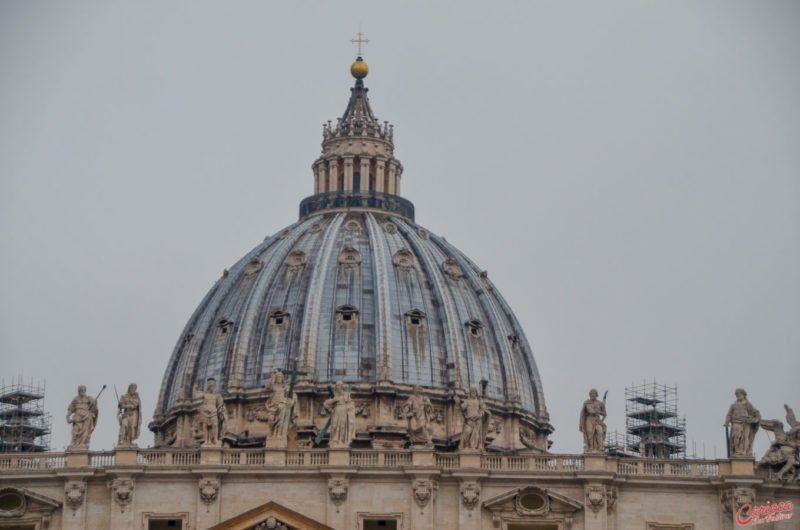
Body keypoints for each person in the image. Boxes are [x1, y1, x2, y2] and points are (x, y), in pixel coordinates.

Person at [724, 388, 760, 457]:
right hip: (736, 422)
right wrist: (727, 422)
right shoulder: (733, 405)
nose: (738, 395)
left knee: (745, 437)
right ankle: (737, 451)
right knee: (736, 436)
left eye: (739, 394)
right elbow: (729, 414)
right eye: (737, 394)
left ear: (743, 395)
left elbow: (755, 412)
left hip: (746, 422)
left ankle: (743, 452)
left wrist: (756, 418)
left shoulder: (748, 404)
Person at [193, 378, 226, 446]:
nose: (212, 386)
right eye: (211, 385)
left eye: (213, 385)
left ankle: (215, 439)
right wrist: (194, 389)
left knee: (215, 425)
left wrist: (221, 412)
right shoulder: (204, 394)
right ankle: (206, 441)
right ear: (208, 386)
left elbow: (220, 405)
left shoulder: (217, 395)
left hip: (213, 411)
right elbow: (195, 396)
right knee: (205, 426)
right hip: (205, 411)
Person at [264, 372, 296, 441]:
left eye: (281, 377)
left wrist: (292, 400)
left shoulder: (285, 387)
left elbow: (291, 394)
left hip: (282, 404)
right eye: (278, 377)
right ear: (276, 378)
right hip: (272, 406)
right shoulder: (273, 386)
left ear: (283, 379)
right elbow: (267, 387)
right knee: (270, 419)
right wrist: (271, 378)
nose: (279, 379)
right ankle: (271, 433)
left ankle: (278, 433)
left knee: (281, 417)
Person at [456, 385, 490, 450]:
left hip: (477, 420)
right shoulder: (467, 401)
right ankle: (467, 446)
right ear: (470, 393)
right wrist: (457, 403)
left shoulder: (479, 401)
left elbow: (483, 409)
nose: (473, 393)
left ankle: (473, 447)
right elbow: (461, 408)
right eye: (472, 391)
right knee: (467, 432)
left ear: (476, 392)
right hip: (469, 420)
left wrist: (481, 414)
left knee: (475, 435)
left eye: (474, 391)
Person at [323, 381, 356, 448]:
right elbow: (326, 404)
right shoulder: (335, 397)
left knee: (342, 426)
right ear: (336, 388)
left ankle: (341, 441)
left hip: (344, 411)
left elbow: (351, 404)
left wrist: (349, 410)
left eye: (340, 386)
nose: (339, 387)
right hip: (336, 412)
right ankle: (334, 440)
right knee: (334, 426)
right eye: (337, 386)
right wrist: (331, 410)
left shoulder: (346, 395)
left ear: (342, 387)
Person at [66, 385, 98, 450]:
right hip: (77, 417)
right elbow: (71, 409)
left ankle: (82, 444)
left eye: (83, 390)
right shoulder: (75, 399)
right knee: (75, 430)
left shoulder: (89, 398)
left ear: (85, 390)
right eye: (81, 390)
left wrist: (94, 403)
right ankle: (74, 443)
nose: (82, 391)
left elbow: (94, 409)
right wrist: (68, 416)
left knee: (85, 431)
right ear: (78, 391)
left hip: (86, 417)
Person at [579, 389, 607, 453]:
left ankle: (600, 448)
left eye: (594, 394)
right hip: (589, 419)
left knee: (600, 432)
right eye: (591, 394)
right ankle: (590, 448)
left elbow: (605, 414)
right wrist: (581, 424)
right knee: (589, 433)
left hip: (597, 420)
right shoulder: (586, 403)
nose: (593, 395)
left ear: (596, 395)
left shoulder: (600, 403)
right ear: (590, 395)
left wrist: (601, 421)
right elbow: (582, 414)